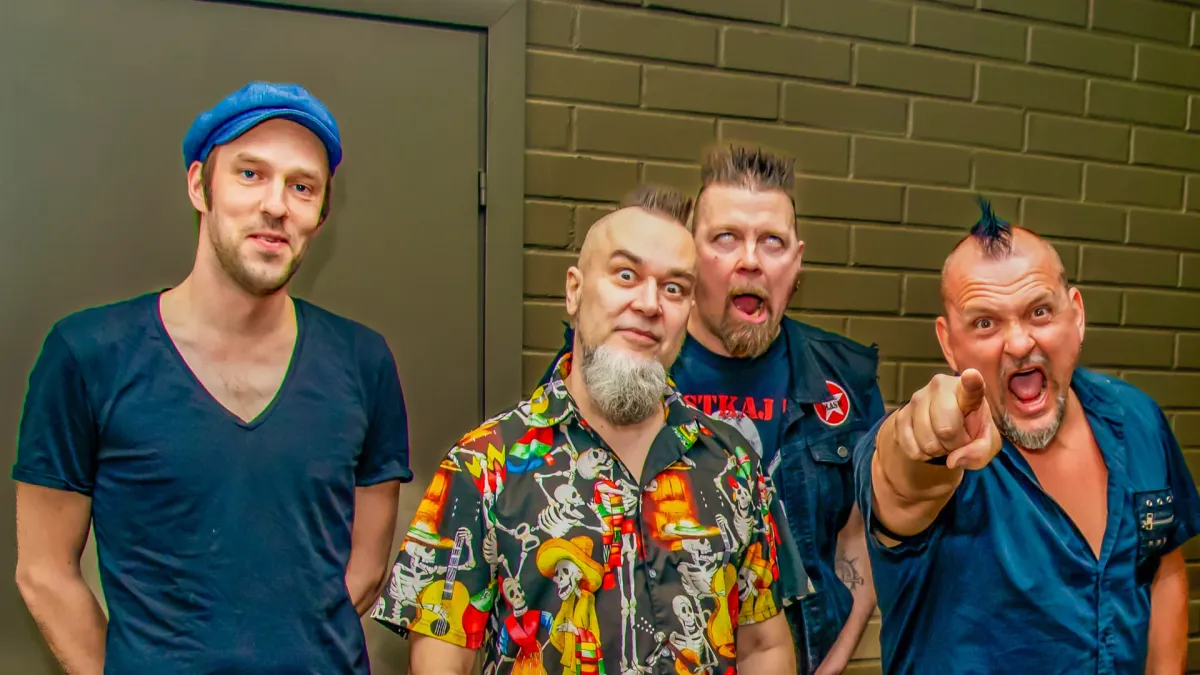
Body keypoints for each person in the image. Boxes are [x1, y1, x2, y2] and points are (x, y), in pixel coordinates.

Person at [12, 81, 411, 674]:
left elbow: (366, 569)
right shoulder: (87, 355)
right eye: (250, 174)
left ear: (320, 216)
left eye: (302, 187)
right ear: (200, 186)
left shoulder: (364, 361)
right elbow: (44, 572)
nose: (276, 204)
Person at [371, 184, 804, 675]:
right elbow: (441, 663)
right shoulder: (483, 466)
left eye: (674, 288)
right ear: (574, 290)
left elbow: (763, 647)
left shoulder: (733, 463)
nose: (649, 303)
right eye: (626, 275)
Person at [541, 145, 885, 674]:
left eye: (772, 241)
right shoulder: (618, 367)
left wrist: (832, 662)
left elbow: (859, 534)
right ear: (690, 254)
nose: (751, 260)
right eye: (726, 238)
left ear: (796, 262)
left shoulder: (844, 380)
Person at [853, 199, 1198, 674]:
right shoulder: (947, 443)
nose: (1018, 343)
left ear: (1076, 315)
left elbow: (1163, 568)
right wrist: (922, 440)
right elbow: (901, 476)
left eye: (1039, 311)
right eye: (985, 322)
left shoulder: (1138, 418)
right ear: (948, 343)